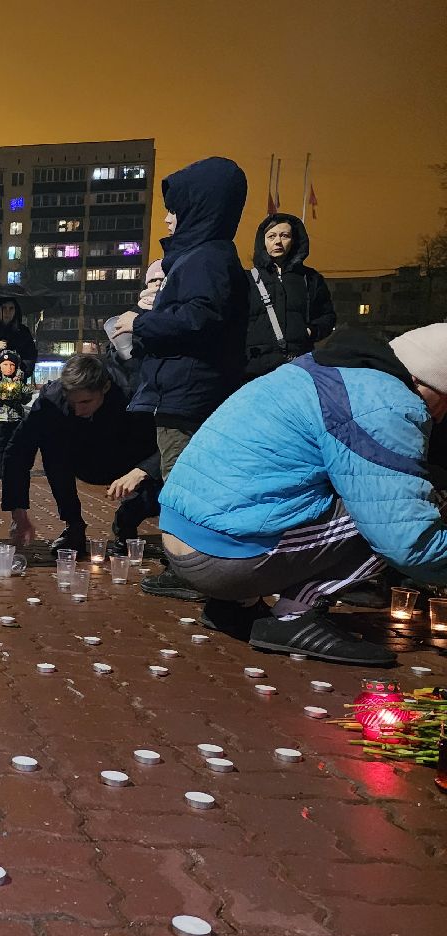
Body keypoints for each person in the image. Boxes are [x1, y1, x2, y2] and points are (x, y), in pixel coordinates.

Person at [157, 325, 447, 665]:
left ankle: (237, 605)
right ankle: (294, 616)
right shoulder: (385, 401)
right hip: (224, 557)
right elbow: (408, 542)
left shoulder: (319, 367)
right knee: (401, 510)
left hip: (183, 537)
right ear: (424, 382)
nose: (440, 416)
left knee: (370, 494)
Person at [121, 156, 249, 600]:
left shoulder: (205, 258)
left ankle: (194, 570)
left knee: (183, 485)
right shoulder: (206, 256)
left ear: (200, 206)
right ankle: (198, 566)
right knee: (186, 480)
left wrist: (140, 323)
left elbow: (199, 317)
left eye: (175, 208)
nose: (167, 217)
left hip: (186, 392)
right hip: (186, 388)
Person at [2, 353, 160, 558]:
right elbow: (17, 452)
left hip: (129, 457)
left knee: (166, 474)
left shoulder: (133, 394)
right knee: (51, 443)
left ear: (105, 388)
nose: (78, 410)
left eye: (85, 402)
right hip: (83, 459)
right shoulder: (52, 398)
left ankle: (129, 516)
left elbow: (168, 446)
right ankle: (73, 525)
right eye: (72, 402)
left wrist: (143, 471)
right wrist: (18, 513)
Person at [245, 212, 336, 381]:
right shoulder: (247, 279)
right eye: (271, 236)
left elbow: (327, 316)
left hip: (298, 367)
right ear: (263, 241)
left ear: (294, 240)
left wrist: (310, 331)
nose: (278, 241)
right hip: (254, 369)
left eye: (284, 235)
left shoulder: (310, 278)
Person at [104, 258, 165, 389]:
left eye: (163, 279)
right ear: (147, 283)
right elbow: (113, 354)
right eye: (153, 280)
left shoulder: (173, 312)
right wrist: (118, 351)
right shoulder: (133, 313)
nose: (158, 283)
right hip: (137, 385)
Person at [0, 349, 32, 477]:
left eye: (12, 365)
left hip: (15, 418)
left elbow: (27, 397)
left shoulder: (19, 382)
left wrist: (20, 396)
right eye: (5, 364)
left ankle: (11, 467)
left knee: (13, 444)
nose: (9, 368)